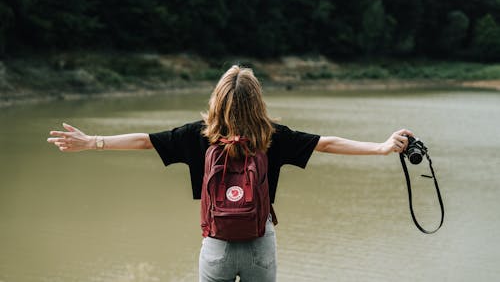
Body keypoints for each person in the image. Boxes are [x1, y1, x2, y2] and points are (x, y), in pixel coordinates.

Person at [47, 65, 413, 282]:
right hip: (259, 245)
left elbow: (144, 141)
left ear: (217, 100)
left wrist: (91, 141)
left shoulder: (199, 134)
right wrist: (381, 147)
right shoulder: (273, 136)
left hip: (217, 245)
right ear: (258, 101)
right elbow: (327, 143)